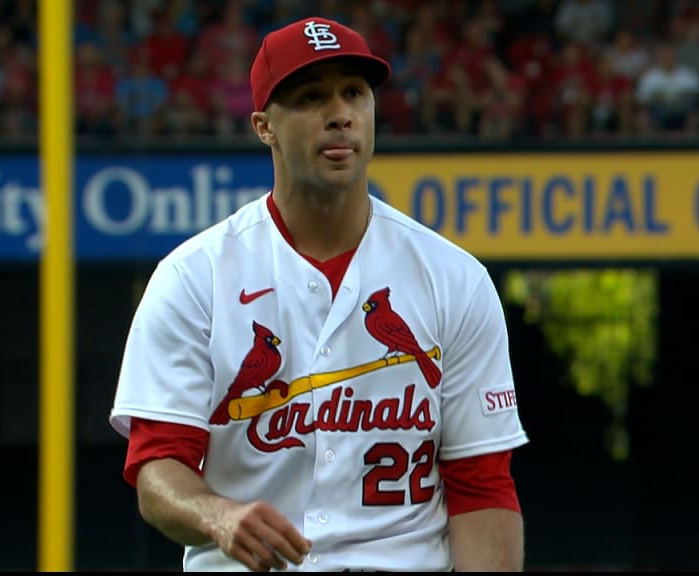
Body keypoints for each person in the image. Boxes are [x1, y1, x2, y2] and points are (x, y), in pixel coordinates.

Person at [108, 16, 529, 572]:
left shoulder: (453, 277)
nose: (340, 114)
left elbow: (482, 487)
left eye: (354, 93)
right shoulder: (194, 277)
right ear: (265, 127)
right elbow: (158, 467)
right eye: (310, 99)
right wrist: (217, 514)